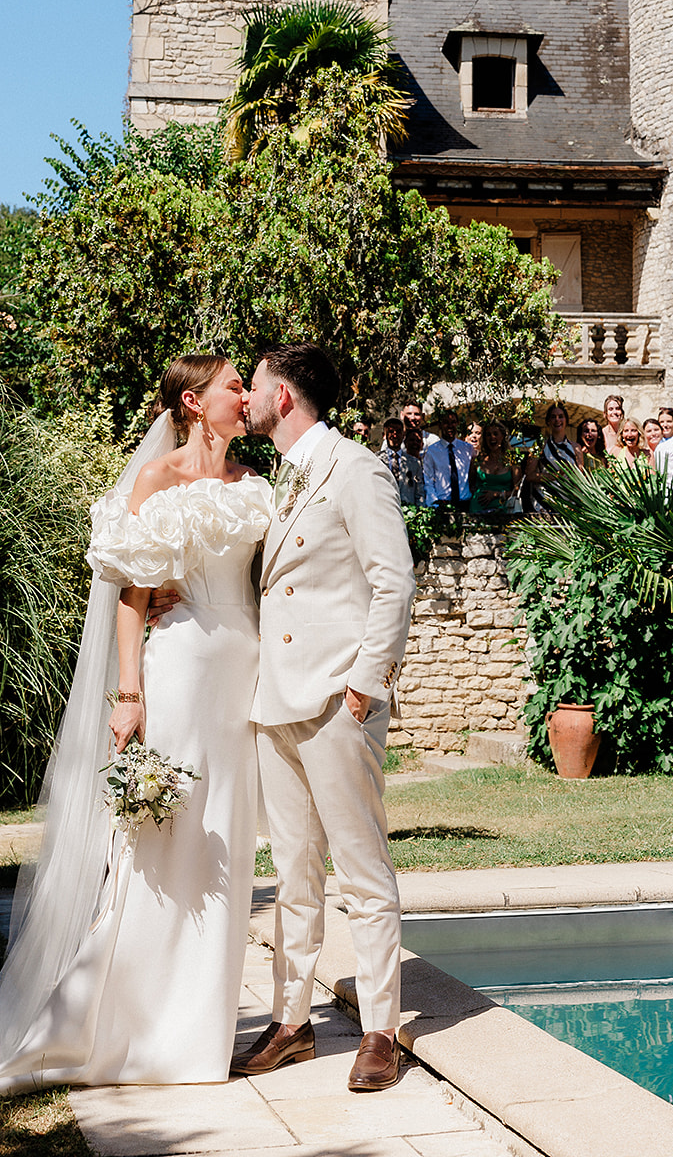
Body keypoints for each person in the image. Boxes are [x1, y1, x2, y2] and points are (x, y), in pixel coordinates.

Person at [0, 354, 273, 1094]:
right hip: (181, 668)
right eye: (232, 387)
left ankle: (197, 1032)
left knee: (226, 839)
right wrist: (130, 693)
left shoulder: (256, 484)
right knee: (166, 841)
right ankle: (124, 1026)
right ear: (193, 400)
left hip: (245, 676)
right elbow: (131, 593)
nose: (244, 396)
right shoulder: (157, 480)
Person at [233, 344, 415, 1091]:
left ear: (284, 397)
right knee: (293, 875)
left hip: (338, 699)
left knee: (361, 868)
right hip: (275, 698)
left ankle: (379, 1030)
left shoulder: (355, 467)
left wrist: (364, 685)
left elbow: (393, 579)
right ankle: (291, 1022)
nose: (244, 396)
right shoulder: (279, 477)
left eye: (255, 384)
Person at [526, 403, 579, 511]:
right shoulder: (539, 446)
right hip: (544, 503)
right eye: (553, 417)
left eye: (560, 416)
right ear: (548, 421)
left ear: (566, 420)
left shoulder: (575, 448)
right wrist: (555, 476)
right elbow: (529, 475)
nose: (557, 420)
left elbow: (579, 477)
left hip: (568, 504)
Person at [422, 410, 474, 509]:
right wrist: (434, 504)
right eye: (446, 422)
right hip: (442, 504)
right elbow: (428, 480)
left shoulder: (467, 449)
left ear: (457, 424)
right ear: (440, 425)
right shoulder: (432, 451)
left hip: (465, 503)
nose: (450, 426)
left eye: (453, 422)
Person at [468, 420, 522, 516]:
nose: (492, 437)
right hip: (478, 509)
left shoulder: (512, 461)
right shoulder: (477, 460)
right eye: (488, 435)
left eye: (495, 434)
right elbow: (470, 485)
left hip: (504, 511)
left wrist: (497, 494)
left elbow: (518, 491)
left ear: (502, 437)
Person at [378, 416, 425, 505]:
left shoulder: (414, 463)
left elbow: (419, 493)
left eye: (398, 432)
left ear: (403, 435)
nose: (395, 435)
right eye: (391, 431)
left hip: (407, 512)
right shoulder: (376, 460)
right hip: (383, 508)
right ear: (384, 435)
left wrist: (419, 513)